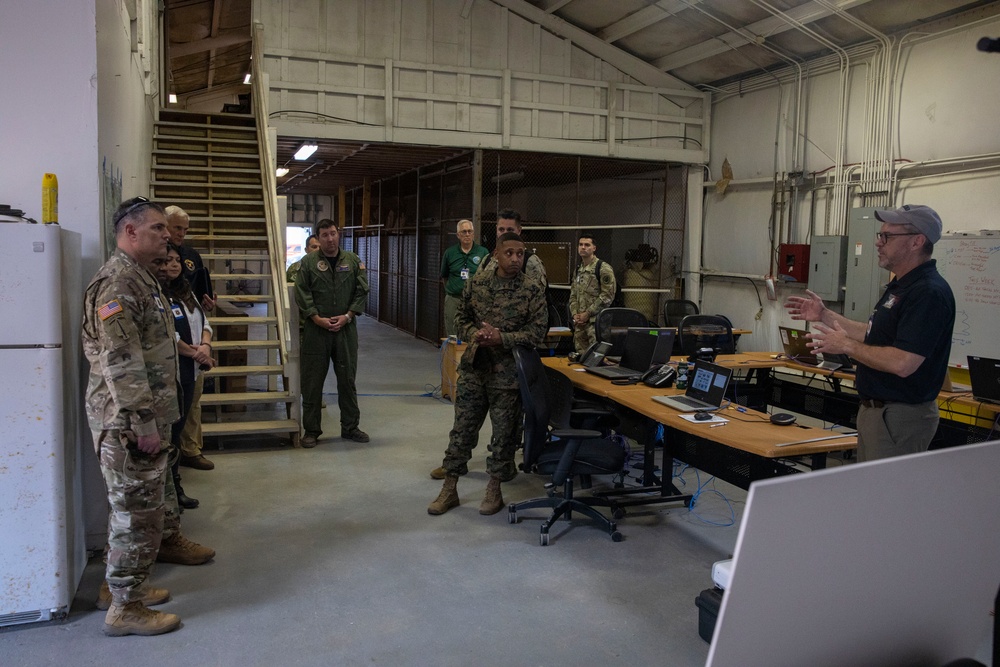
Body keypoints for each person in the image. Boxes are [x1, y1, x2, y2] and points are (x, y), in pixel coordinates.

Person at [83, 197, 214, 637]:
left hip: (145, 416)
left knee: (133, 508)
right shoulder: (119, 284)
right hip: (130, 424)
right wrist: (143, 423)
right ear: (131, 232)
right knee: (135, 514)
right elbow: (121, 361)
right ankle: (126, 608)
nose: (166, 234)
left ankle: (114, 587)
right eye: (157, 228)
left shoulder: (142, 278)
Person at [784, 204, 955, 462]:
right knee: (873, 494)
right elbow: (875, 334)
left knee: (886, 497)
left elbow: (903, 362)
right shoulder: (901, 286)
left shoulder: (928, 293)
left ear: (917, 242)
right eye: (879, 235)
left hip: (900, 417)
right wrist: (824, 315)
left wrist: (846, 346)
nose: (878, 242)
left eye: (887, 237)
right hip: (878, 412)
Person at [427, 232, 549, 516]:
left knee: (504, 436)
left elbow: (537, 332)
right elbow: (462, 318)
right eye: (509, 253)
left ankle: (494, 489)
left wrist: (502, 338)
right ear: (496, 254)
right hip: (475, 368)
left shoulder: (531, 290)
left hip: (508, 376)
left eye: (520, 253)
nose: (515, 259)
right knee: (462, 431)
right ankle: (450, 488)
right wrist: (476, 334)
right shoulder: (477, 284)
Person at [295, 218, 370, 447]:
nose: (330, 238)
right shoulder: (308, 264)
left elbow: (362, 290)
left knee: (347, 380)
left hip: (345, 330)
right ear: (317, 238)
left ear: (339, 234)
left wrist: (348, 316)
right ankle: (311, 430)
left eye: (333, 233)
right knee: (312, 381)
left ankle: (350, 427)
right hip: (316, 331)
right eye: (325, 235)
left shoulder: (353, 261)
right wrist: (317, 318)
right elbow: (302, 293)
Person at [158, 245, 215, 509]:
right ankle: (170, 490)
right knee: (170, 433)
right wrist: (196, 354)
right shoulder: (157, 294)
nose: (174, 265)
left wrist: (205, 346)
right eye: (168, 260)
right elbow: (168, 333)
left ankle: (175, 485)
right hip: (173, 371)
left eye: (177, 260)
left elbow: (204, 322)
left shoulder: (186, 291)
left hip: (192, 370)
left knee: (179, 429)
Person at [165, 205, 216, 470]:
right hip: (175, 353)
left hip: (195, 336)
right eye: (177, 228)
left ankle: (190, 449)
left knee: (193, 403)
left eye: (185, 230)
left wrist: (204, 345)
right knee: (175, 410)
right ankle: (173, 463)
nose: (182, 234)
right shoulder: (155, 263)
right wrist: (194, 351)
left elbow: (199, 300)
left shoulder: (192, 257)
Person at [440, 219, 490, 337]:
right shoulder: (450, 253)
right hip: (454, 299)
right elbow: (444, 276)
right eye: (464, 232)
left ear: (473, 233)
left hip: (475, 300)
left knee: (475, 334)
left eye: (469, 231)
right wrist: (453, 290)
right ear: (458, 235)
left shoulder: (483, 252)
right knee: (452, 335)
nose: (467, 234)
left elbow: (488, 276)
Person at [568, 233, 616, 355]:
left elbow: (607, 296)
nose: (583, 247)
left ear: (594, 248)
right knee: (581, 359)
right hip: (580, 325)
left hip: (596, 324)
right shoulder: (578, 269)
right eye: (580, 245)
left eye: (587, 245)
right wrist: (575, 314)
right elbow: (573, 294)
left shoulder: (603, 268)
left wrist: (588, 313)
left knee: (596, 358)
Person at [478, 209, 547, 282]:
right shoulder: (488, 259)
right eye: (501, 229)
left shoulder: (531, 262)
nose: (505, 234)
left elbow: (539, 291)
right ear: (496, 230)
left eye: (510, 230)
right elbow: (477, 286)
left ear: (519, 230)